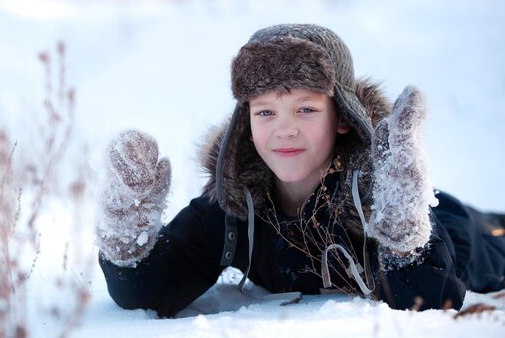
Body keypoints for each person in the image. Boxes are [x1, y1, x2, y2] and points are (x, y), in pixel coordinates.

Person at [96, 23, 505, 318]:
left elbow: (431, 301)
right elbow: (153, 292)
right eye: (266, 111)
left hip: (450, 233)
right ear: (247, 120)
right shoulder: (235, 207)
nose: (284, 129)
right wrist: (127, 240)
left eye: (306, 109)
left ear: (342, 116)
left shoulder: (379, 192)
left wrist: (403, 231)